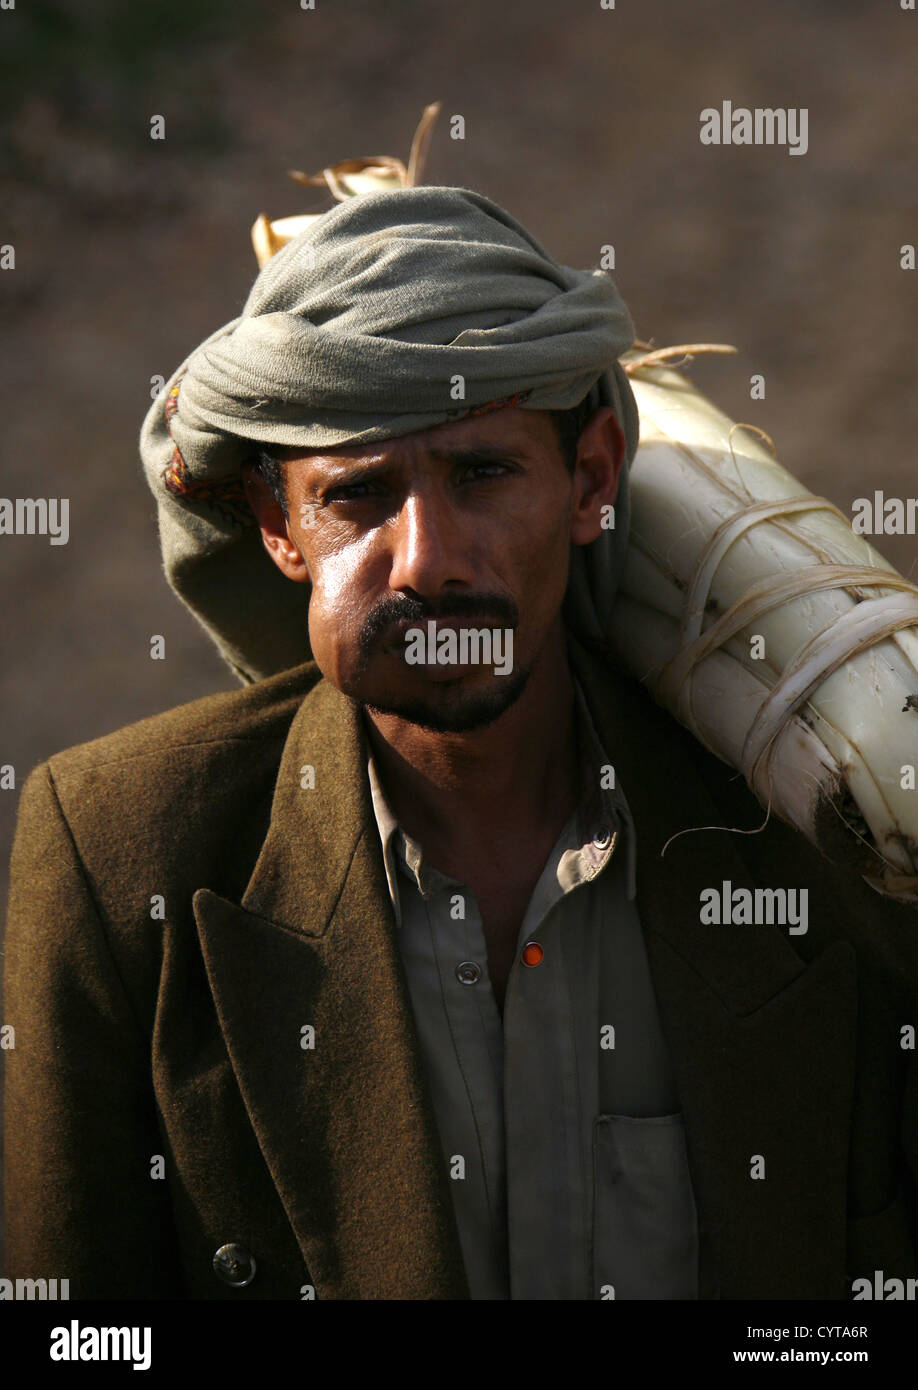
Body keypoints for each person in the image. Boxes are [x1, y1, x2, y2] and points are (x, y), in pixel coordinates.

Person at [4, 186, 917, 1301]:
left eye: (483, 474)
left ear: (589, 482)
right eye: (359, 496)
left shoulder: (830, 840)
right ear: (279, 527)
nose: (427, 558)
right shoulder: (118, 859)